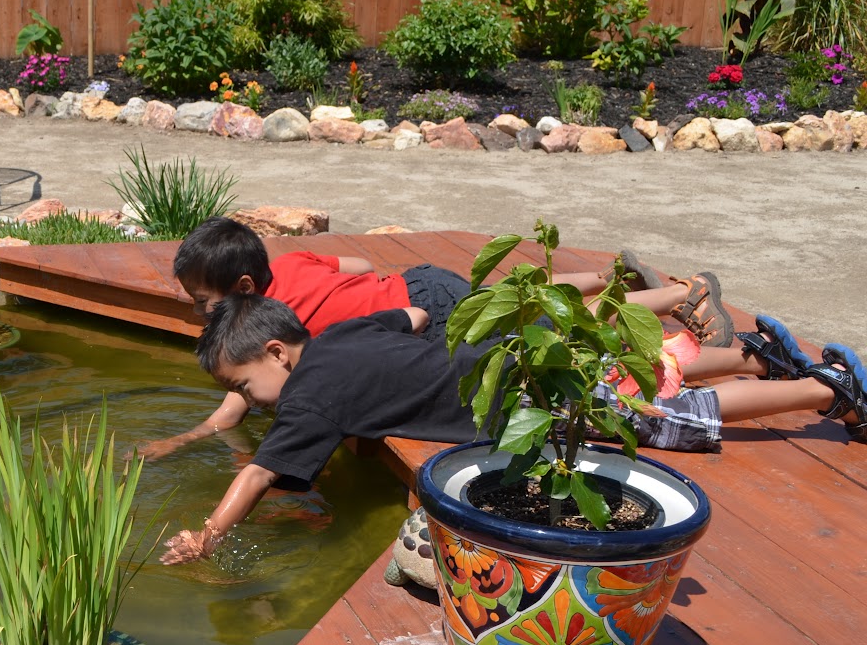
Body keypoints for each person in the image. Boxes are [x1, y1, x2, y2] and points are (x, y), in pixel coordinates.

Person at [159, 295, 866, 564]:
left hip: (532, 401)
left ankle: (825, 389)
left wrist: (208, 535)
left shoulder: (308, 399)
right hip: (521, 355)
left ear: (277, 355)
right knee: (641, 372)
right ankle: (751, 355)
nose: (251, 403)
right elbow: (413, 319)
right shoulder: (336, 337)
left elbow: (255, 472)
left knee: (665, 417)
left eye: (245, 388)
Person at [139, 217, 731, 458]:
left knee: (548, 327)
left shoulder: (272, 325)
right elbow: (354, 261)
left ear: (244, 288)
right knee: (524, 301)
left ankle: (684, 295)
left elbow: (231, 408)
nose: (197, 314)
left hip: (428, 316)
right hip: (419, 283)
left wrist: (181, 440)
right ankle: (607, 276)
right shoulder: (289, 262)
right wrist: (373, 293)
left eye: (202, 304)